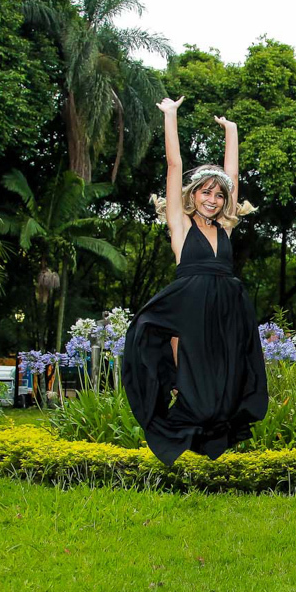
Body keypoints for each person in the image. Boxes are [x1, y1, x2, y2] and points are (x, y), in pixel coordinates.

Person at [122, 96, 267, 466]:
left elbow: (233, 176)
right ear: (192, 194)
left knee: (226, 392)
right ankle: (177, 426)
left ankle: (211, 440)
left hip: (227, 314)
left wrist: (232, 132)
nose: (213, 199)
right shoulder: (181, 226)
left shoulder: (226, 228)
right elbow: (174, 165)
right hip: (189, 311)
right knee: (195, 393)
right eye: (205, 191)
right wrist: (170, 115)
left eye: (219, 195)